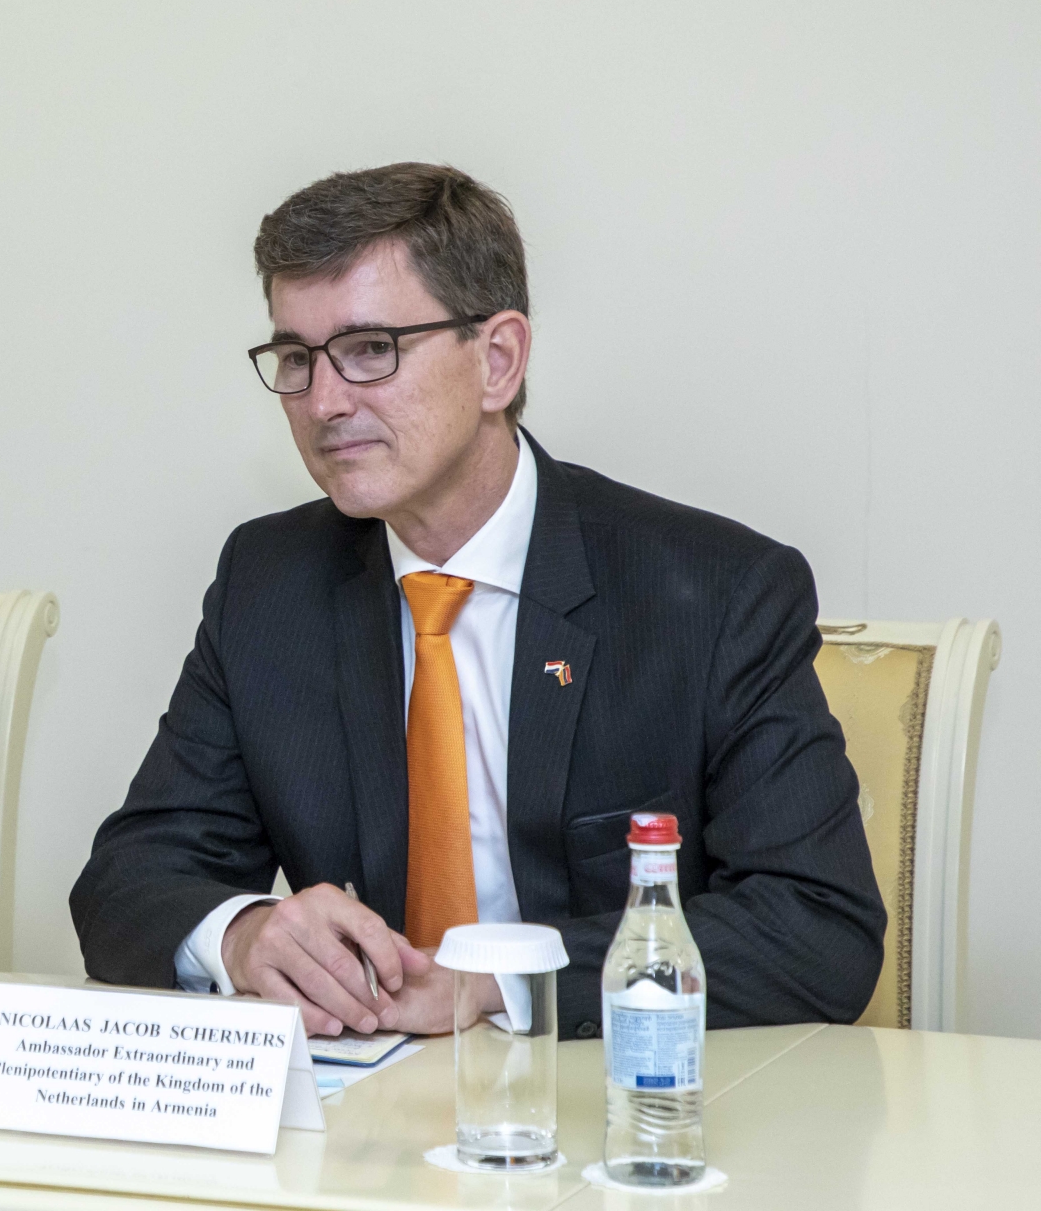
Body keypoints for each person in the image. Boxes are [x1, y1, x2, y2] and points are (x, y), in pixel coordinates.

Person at [70, 164, 885, 1039]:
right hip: (364, 1105)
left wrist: (496, 984)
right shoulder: (270, 585)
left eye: (370, 349)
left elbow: (818, 929)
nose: (323, 402)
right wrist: (243, 936)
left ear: (498, 361)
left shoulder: (714, 593)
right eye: (297, 359)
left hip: (617, 1090)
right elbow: (128, 883)